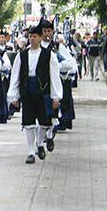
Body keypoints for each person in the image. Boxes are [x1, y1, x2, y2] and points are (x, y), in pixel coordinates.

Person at [7, 24, 62, 164]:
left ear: (40, 38)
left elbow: (54, 76)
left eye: (35, 36)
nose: (32, 39)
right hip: (27, 91)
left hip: (43, 91)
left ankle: (39, 143)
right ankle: (31, 151)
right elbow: (15, 75)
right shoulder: (22, 54)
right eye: (30, 36)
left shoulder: (49, 54)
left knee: (44, 122)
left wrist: (56, 96)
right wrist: (13, 95)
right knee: (29, 123)